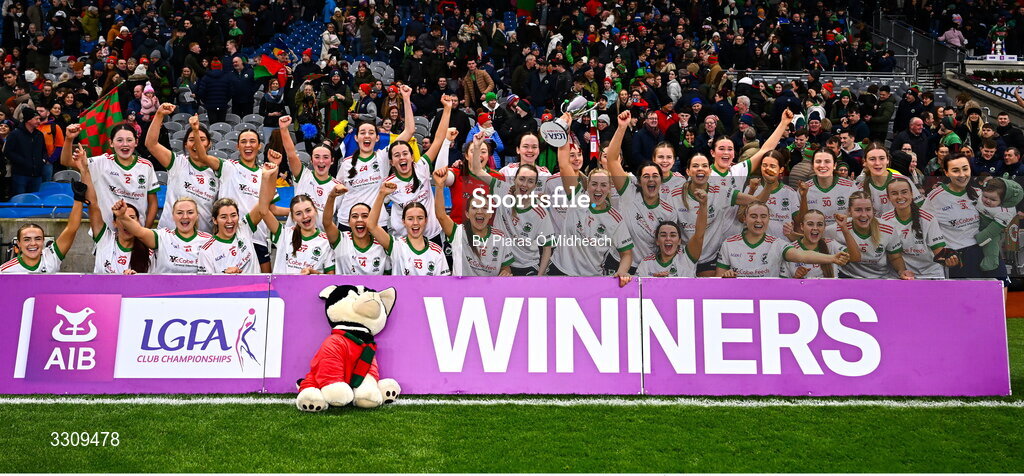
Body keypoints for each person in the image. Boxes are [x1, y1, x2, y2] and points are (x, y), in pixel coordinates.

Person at [548, 125, 634, 286]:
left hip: (592, 278)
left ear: (609, 188)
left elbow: (627, 253)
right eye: (594, 184)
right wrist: (563, 130)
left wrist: (622, 271)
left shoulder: (615, 219)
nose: (598, 189)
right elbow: (564, 164)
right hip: (560, 270)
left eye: (603, 185)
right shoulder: (577, 197)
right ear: (587, 186)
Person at [192, 125, 280, 273]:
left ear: (259, 146)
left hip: (257, 236)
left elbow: (268, 206)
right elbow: (203, 157)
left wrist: (273, 171)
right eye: (243, 141)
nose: (248, 145)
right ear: (237, 146)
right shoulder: (227, 166)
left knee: (264, 281)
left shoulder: (264, 172)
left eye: (252, 141)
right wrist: (195, 130)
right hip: (230, 234)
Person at [335, 85, 419, 229]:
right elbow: (337, 194)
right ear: (356, 138)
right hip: (348, 221)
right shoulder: (346, 163)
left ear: (377, 138)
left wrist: (406, 98)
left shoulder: (383, 156)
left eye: (371, 133)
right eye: (362, 133)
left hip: (377, 222)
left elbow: (409, 131)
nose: (367, 136)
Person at [923, 153, 1008, 283]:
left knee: (1001, 284)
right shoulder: (935, 198)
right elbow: (924, 230)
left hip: (987, 249)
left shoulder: (978, 193)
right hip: (959, 257)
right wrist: (943, 255)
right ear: (946, 172)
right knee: (972, 294)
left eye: (965, 169)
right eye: (955, 170)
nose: (962, 174)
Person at [62, 122, 159, 228]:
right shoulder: (102, 162)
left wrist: (145, 231)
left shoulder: (146, 166)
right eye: (119, 140)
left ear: (136, 142)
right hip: (105, 232)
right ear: (111, 143)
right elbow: (66, 161)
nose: (125, 144)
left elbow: (153, 203)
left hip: (136, 231)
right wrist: (69, 139)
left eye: (129, 140)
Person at [716, 201, 850, 278]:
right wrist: (726, 276)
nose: (759, 220)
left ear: (769, 219)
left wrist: (832, 258)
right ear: (744, 219)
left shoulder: (777, 244)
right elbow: (718, 280)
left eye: (763, 216)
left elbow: (802, 255)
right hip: (739, 298)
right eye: (753, 216)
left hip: (769, 299)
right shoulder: (729, 243)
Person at [146, 105, 219, 232]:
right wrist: (159, 114)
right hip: (169, 235)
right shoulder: (177, 163)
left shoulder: (217, 172)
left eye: (201, 139)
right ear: (185, 144)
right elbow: (151, 144)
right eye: (191, 139)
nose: (196, 143)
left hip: (201, 238)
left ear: (209, 144)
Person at [432, 166, 513, 276]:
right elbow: (441, 215)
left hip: (489, 287)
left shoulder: (500, 237)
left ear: (490, 214)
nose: (479, 212)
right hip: (462, 286)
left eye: (485, 208)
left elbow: (506, 267)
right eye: (474, 208)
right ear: (467, 214)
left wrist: (506, 272)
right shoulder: (458, 232)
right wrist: (439, 186)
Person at [198, 164, 278, 274]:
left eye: (233, 215)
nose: (230, 220)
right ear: (215, 220)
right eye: (223, 217)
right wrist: (224, 276)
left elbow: (264, 202)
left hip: (255, 286)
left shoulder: (244, 228)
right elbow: (205, 283)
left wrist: (265, 177)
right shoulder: (207, 250)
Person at [1, 176, 86, 274]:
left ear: (43, 241)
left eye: (38, 239)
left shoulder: (51, 256)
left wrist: (78, 199)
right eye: (27, 239)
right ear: (19, 243)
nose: (33, 243)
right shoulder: (5, 271)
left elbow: (71, 228)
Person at [883, 177, 960, 279]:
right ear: (888, 197)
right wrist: (902, 272)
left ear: (911, 194)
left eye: (904, 192)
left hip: (930, 274)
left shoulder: (928, 219)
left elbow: (939, 252)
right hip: (901, 275)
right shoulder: (884, 220)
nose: (900, 197)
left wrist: (949, 260)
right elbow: (894, 256)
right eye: (894, 193)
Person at [368, 181, 449, 276]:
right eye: (410, 219)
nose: (415, 223)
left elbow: (442, 283)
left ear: (426, 220)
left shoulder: (437, 251)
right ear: (403, 221)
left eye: (420, 218)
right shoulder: (396, 246)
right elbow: (371, 225)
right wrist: (381, 194)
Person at [114, 195, 211, 274]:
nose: (185, 216)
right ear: (173, 216)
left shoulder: (208, 240)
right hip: (164, 291)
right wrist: (122, 216)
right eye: (179, 213)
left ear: (197, 216)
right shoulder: (163, 236)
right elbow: (139, 231)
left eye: (190, 212)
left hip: (198, 292)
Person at [831, 191, 913, 279]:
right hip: (848, 276)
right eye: (858, 210)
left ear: (873, 211)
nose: (864, 215)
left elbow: (895, 258)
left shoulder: (888, 229)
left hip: (879, 277)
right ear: (849, 211)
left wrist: (902, 272)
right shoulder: (839, 228)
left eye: (868, 209)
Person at [321, 183, 391, 275]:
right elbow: (327, 223)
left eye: (365, 216)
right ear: (349, 222)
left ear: (371, 220)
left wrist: (382, 194)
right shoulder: (341, 239)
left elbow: (387, 278)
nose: (359, 219)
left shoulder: (381, 244)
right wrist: (331, 197)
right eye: (354, 216)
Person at [635, 196, 708, 278]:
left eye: (673, 235)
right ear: (657, 241)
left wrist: (703, 204)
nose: (668, 238)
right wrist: (654, 281)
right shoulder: (647, 263)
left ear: (679, 241)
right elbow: (638, 285)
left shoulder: (687, 256)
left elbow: (699, 234)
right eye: (663, 235)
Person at [263, 193, 336, 275]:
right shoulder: (283, 234)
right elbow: (263, 210)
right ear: (293, 217)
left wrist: (312, 272)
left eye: (308, 210)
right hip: (281, 284)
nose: (305, 216)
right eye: (298, 213)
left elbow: (330, 278)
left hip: (312, 284)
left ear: (315, 210)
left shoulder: (326, 242)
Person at [857, 143, 922, 217]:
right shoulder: (859, 185)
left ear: (888, 160)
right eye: (872, 159)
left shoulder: (903, 181)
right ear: (865, 162)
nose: (877, 163)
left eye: (882, 158)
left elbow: (920, 209)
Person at [781, 210, 850, 279]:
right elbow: (783, 283)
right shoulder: (791, 249)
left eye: (819, 224)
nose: (815, 228)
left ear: (824, 227)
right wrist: (796, 277)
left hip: (830, 286)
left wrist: (844, 228)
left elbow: (853, 257)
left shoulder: (831, 244)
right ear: (802, 226)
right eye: (810, 224)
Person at [798, 149, 858, 228]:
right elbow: (801, 222)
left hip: (843, 235)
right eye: (818, 161)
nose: (822, 165)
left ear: (834, 165)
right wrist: (803, 197)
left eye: (827, 161)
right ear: (812, 166)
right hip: (815, 235)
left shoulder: (850, 187)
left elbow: (857, 218)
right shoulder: (803, 189)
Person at [5, 107, 46, 195]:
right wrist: (22, 161)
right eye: (36, 119)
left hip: (37, 175)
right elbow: (8, 152)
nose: (39, 121)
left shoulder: (39, 135)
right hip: (20, 174)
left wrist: (43, 160)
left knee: (35, 199)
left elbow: (44, 151)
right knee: (20, 198)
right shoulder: (15, 134)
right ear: (28, 120)